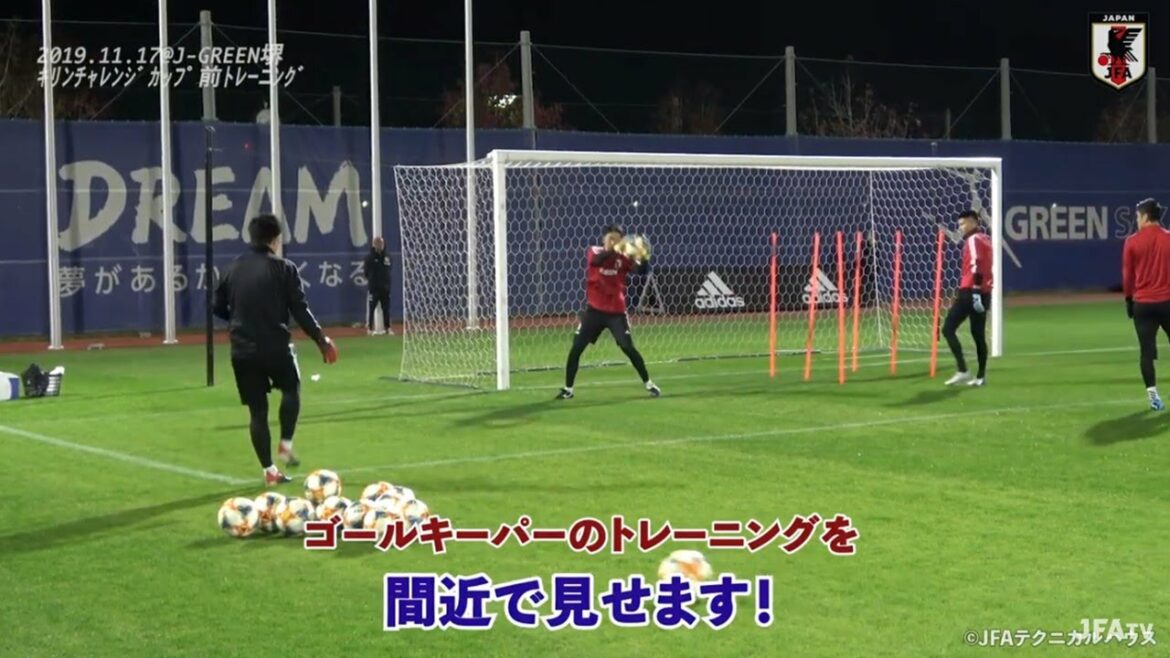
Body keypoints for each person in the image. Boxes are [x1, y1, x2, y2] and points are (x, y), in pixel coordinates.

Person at [213, 214, 339, 485]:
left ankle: (269, 470)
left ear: (251, 237)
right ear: (276, 239)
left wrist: (238, 319)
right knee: (291, 389)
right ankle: (286, 442)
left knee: (257, 411)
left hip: (242, 349)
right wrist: (321, 340)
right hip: (276, 345)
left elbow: (216, 307)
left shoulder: (230, 269)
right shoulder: (284, 268)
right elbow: (300, 309)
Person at [556, 225, 660, 400]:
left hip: (616, 313)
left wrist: (644, 257)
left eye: (617, 239)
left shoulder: (623, 257)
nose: (614, 242)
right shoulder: (594, 251)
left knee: (627, 347)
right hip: (594, 312)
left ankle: (649, 383)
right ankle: (568, 389)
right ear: (603, 239)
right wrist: (615, 249)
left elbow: (640, 272)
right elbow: (597, 261)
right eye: (611, 238)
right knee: (576, 348)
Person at [1122, 198, 1170, 411]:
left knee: (1146, 352)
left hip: (1143, 304)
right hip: (1167, 302)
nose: (1137, 220)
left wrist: (1128, 299)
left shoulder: (1132, 242)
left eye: (1137, 216)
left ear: (1145, 216)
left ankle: (1153, 396)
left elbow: (1127, 275)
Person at [942, 210, 993, 387]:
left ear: (973, 222)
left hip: (971, 291)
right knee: (978, 335)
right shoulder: (986, 239)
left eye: (963, 224)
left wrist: (976, 290)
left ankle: (963, 370)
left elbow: (977, 264)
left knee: (948, 329)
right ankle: (980, 376)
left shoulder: (973, 240)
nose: (961, 227)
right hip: (984, 293)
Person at [364, 236, 393, 335]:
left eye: (381, 243)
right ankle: (370, 328)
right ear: (374, 245)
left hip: (385, 288)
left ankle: (387, 328)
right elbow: (366, 273)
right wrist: (373, 281)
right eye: (378, 243)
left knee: (386, 309)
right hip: (374, 288)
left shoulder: (387, 257)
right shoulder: (370, 258)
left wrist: (387, 283)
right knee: (371, 308)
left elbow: (389, 270)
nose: (380, 245)